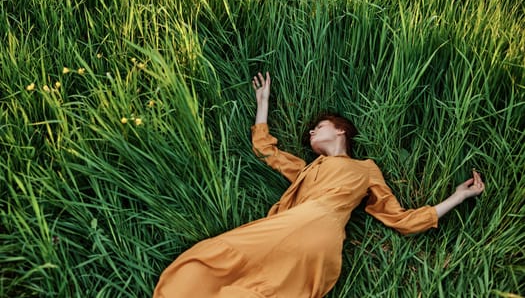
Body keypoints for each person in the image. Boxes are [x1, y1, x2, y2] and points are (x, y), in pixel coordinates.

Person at [153, 72, 485, 298]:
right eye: (311, 131)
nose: (312, 132)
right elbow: (265, 149)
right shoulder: (306, 170)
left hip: (312, 227)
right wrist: (263, 102)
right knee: (224, 276)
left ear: (341, 130)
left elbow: (402, 220)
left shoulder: (366, 169)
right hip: (310, 239)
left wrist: (457, 196)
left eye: (319, 127)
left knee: (211, 265)